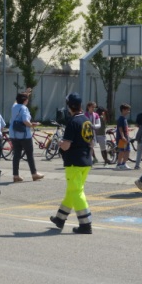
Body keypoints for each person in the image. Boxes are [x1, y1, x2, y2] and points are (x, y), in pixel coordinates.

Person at [50, 93, 93, 234]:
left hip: (74, 162)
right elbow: (91, 143)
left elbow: (66, 146)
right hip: (86, 161)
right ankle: (60, 218)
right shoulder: (86, 120)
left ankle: (85, 224)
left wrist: (59, 143)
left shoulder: (72, 122)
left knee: (76, 192)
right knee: (72, 191)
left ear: (70, 106)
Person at [9, 92, 44, 182]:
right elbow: (25, 120)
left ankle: (15, 175)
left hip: (13, 134)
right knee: (29, 154)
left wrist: (24, 93)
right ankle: (34, 173)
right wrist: (32, 125)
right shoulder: (24, 108)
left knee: (16, 155)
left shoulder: (14, 107)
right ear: (25, 100)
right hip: (24, 135)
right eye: (27, 99)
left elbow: (15, 102)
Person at [115, 103, 132, 170]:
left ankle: (123, 163)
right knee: (122, 151)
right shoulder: (121, 119)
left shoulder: (124, 119)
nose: (128, 111)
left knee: (127, 151)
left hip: (125, 138)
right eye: (127, 110)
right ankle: (119, 164)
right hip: (122, 139)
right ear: (123, 110)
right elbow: (120, 128)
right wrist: (123, 137)